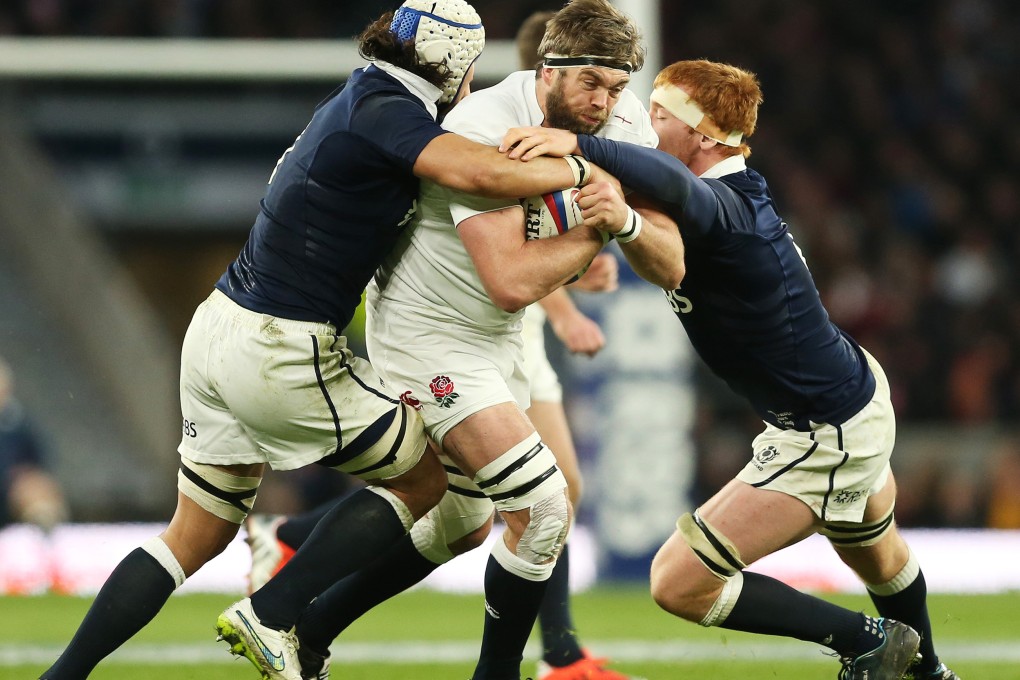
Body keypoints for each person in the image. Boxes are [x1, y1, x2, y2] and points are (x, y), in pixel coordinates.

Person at [39, 0, 604, 677]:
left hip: (219, 324)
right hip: (282, 343)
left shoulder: (358, 95)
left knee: (193, 535)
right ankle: (273, 613)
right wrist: (583, 167)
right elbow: (482, 173)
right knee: (429, 482)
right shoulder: (392, 109)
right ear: (457, 62)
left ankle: (60, 675)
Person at [502, 59, 961, 680]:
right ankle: (930, 673)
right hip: (846, 397)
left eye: (659, 115)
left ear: (705, 136)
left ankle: (866, 640)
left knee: (677, 581)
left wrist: (579, 144)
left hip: (823, 428)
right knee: (879, 555)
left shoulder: (724, 208)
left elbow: (679, 192)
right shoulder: (727, 197)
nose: (640, 121)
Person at [0, 356, 69, 533]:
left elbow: (40, 461)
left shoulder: (17, 424)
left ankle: (44, 531)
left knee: (36, 486)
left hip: (9, 492)